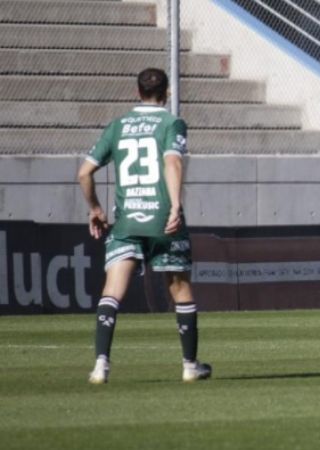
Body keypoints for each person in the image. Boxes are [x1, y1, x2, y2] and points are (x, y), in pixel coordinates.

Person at [78, 68, 211, 383]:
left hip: (127, 220)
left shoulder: (118, 126)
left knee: (113, 290)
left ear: (137, 93)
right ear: (166, 94)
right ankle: (189, 365)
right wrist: (176, 204)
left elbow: (84, 173)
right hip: (163, 219)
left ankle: (101, 364)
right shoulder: (171, 122)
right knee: (179, 287)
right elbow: (172, 161)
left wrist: (95, 208)